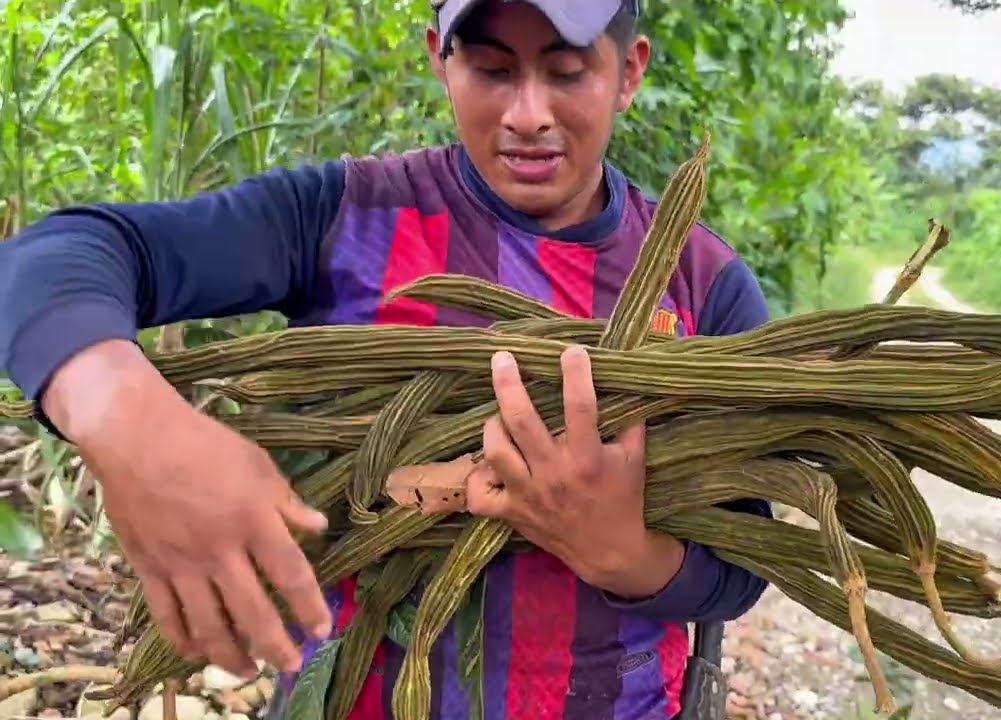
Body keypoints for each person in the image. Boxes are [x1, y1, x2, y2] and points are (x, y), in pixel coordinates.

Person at [0, 0, 774, 717]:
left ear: (628, 71)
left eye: (567, 71)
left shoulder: (703, 284)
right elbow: (61, 255)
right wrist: (128, 419)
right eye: (493, 69)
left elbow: (745, 563)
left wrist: (625, 554)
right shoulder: (346, 218)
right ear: (441, 58)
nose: (527, 114)